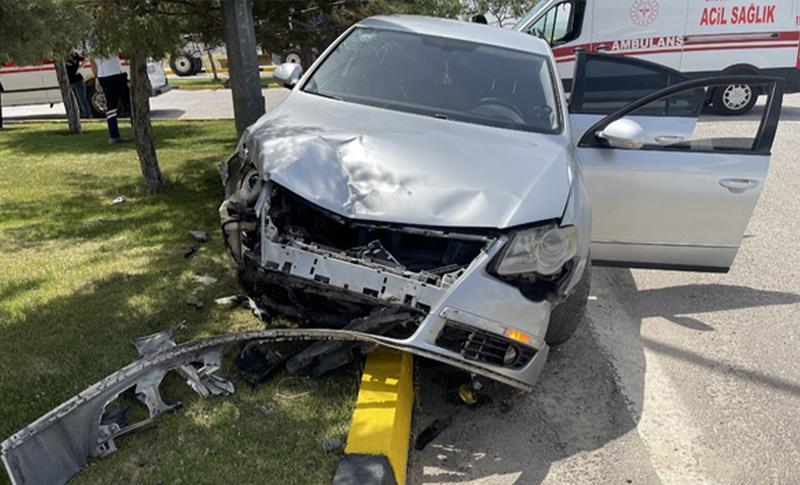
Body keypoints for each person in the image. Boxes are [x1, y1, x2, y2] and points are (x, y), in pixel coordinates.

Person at [90, 52, 130, 144]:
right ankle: (114, 135)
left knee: (122, 105)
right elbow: (92, 61)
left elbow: (92, 61)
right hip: (109, 74)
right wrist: (96, 78)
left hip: (112, 74)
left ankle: (116, 135)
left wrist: (96, 77)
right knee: (115, 106)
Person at [65, 52, 92, 118]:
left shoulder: (75, 56)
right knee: (76, 100)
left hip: (78, 80)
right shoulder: (64, 58)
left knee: (82, 99)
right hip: (70, 82)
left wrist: (80, 68)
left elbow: (86, 59)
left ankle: (88, 114)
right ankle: (82, 114)